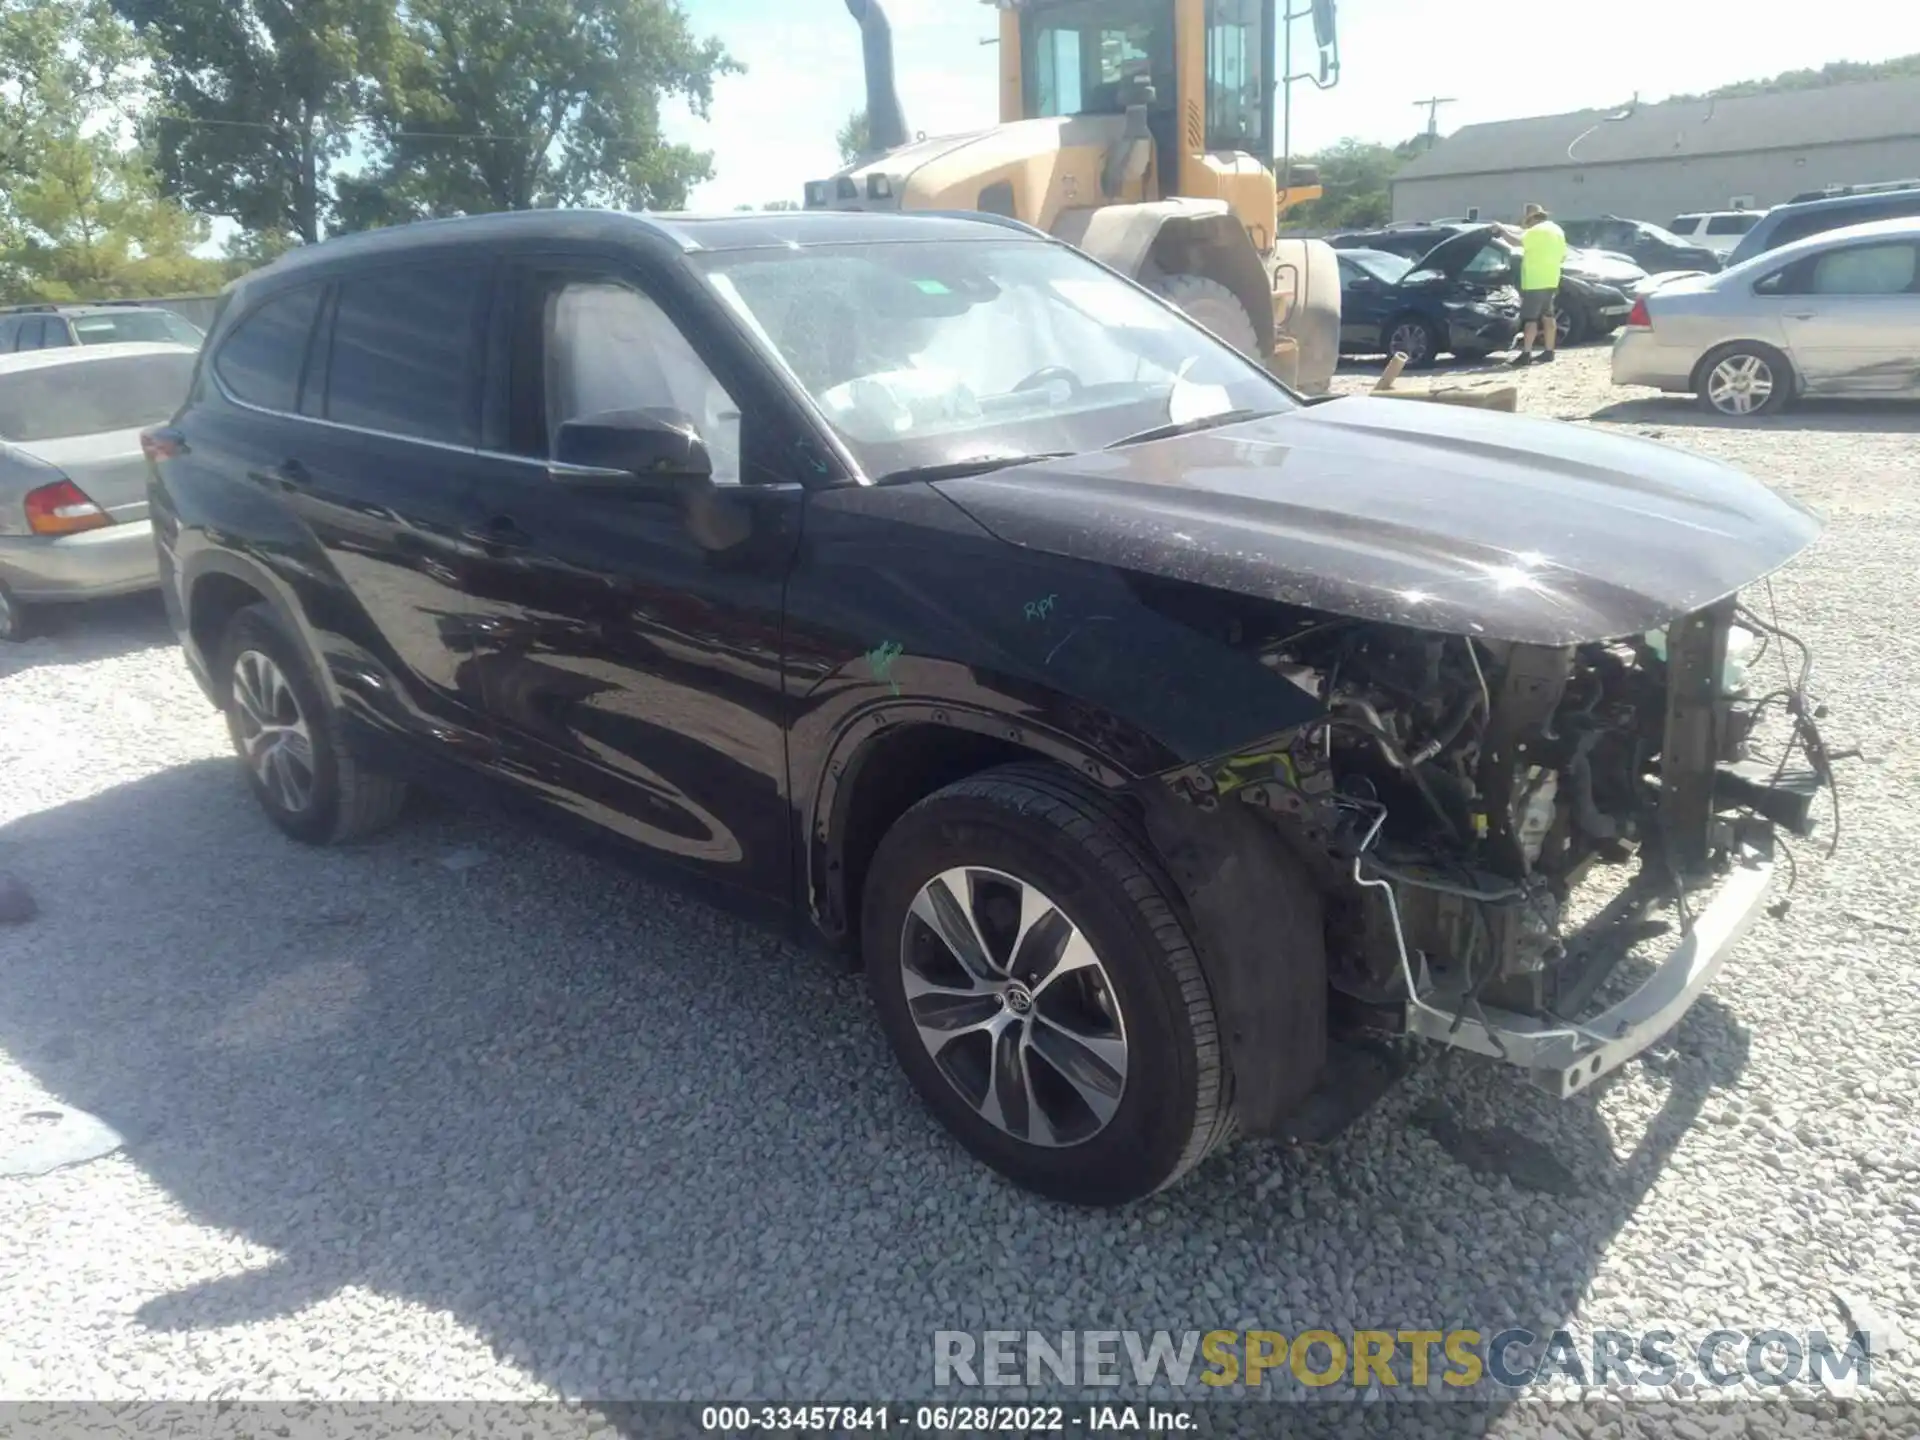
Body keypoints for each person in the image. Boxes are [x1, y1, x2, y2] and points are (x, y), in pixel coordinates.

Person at [1511, 202, 1568, 366]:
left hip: (1535, 281)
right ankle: (1549, 351)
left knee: (1531, 319)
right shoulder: (1557, 230)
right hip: (1551, 279)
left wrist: (1500, 231)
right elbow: (1563, 255)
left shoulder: (1536, 231)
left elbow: (1517, 241)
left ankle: (1526, 354)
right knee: (1548, 316)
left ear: (1532, 219)